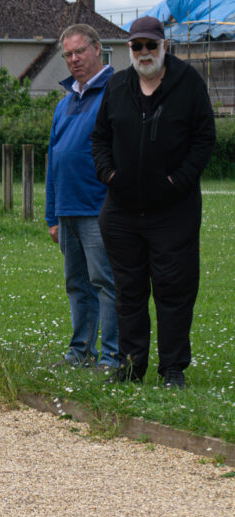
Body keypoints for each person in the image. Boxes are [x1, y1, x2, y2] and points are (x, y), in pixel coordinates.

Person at [91, 16, 215, 389]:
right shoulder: (116, 86)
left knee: (173, 291)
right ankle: (130, 366)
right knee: (129, 292)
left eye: (151, 45)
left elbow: (204, 139)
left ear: (164, 46)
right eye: (136, 46)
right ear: (129, 49)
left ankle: (172, 368)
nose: (144, 53)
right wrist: (110, 175)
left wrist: (178, 180)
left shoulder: (188, 83)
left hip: (173, 212)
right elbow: (99, 140)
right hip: (123, 212)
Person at [45, 24, 119, 371]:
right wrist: (52, 214)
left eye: (79, 51)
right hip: (68, 210)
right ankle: (80, 352)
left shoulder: (115, 93)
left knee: (106, 283)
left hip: (99, 208)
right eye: (68, 55)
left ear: (97, 49)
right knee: (77, 285)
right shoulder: (65, 103)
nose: (74, 59)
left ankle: (112, 355)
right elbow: (54, 158)